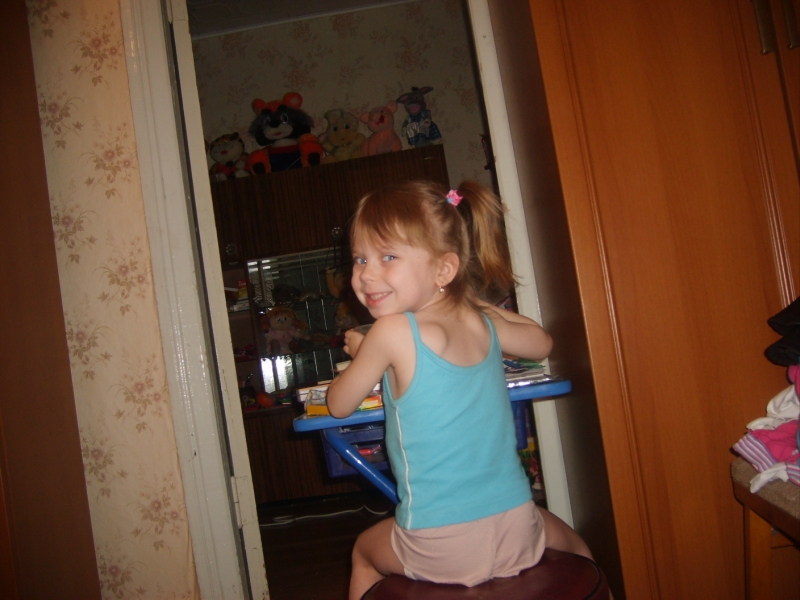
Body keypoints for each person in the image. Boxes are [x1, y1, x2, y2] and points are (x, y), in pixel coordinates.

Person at [326, 180, 593, 600]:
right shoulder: (481, 322)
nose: (365, 274)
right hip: (518, 528)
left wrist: (365, 354)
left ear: (444, 270)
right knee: (578, 549)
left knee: (362, 551)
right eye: (360, 258)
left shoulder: (389, 331)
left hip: (440, 545)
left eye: (388, 256)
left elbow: (338, 405)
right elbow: (541, 343)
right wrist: (469, 300)